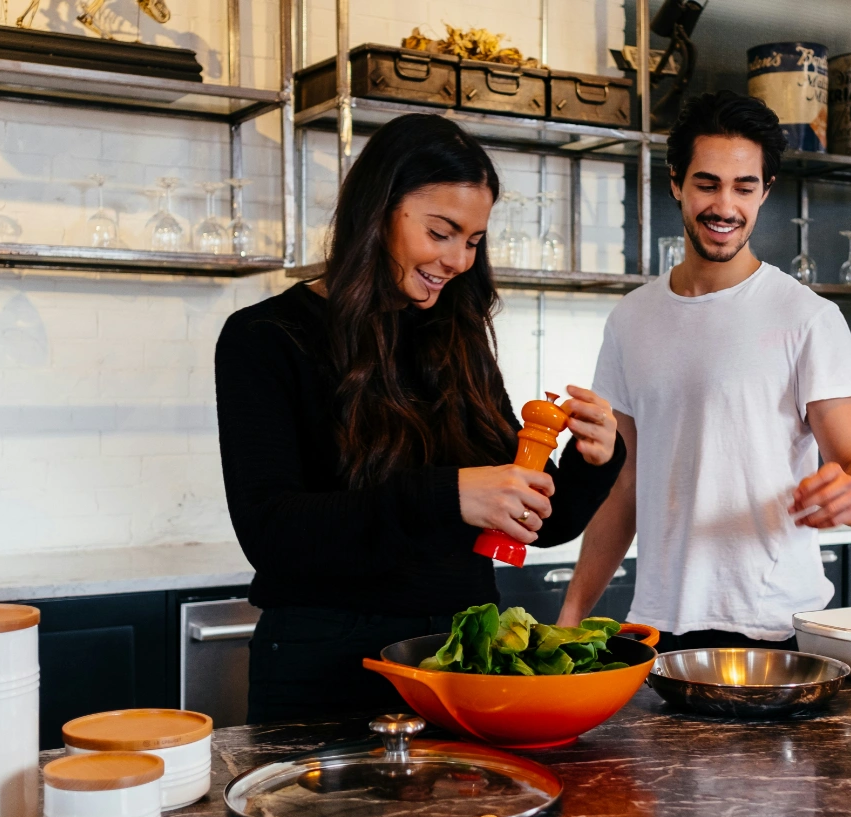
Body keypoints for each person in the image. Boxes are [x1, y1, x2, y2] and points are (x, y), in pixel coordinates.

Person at [215, 114, 626, 723]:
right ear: (378, 209)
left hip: (462, 663)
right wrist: (449, 497)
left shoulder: (457, 338)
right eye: (442, 232)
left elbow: (531, 526)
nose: (458, 259)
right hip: (324, 673)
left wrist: (592, 460)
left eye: (474, 240)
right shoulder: (265, 338)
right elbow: (272, 534)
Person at [556, 90, 851, 651]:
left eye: (744, 187)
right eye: (707, 184)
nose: (725, 206)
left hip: (776, 628)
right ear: (676, 184)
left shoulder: (808, 317)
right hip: (658, 628)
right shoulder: (632, 318)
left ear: (766, 191)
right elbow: (624, 484)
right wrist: (569, 617)